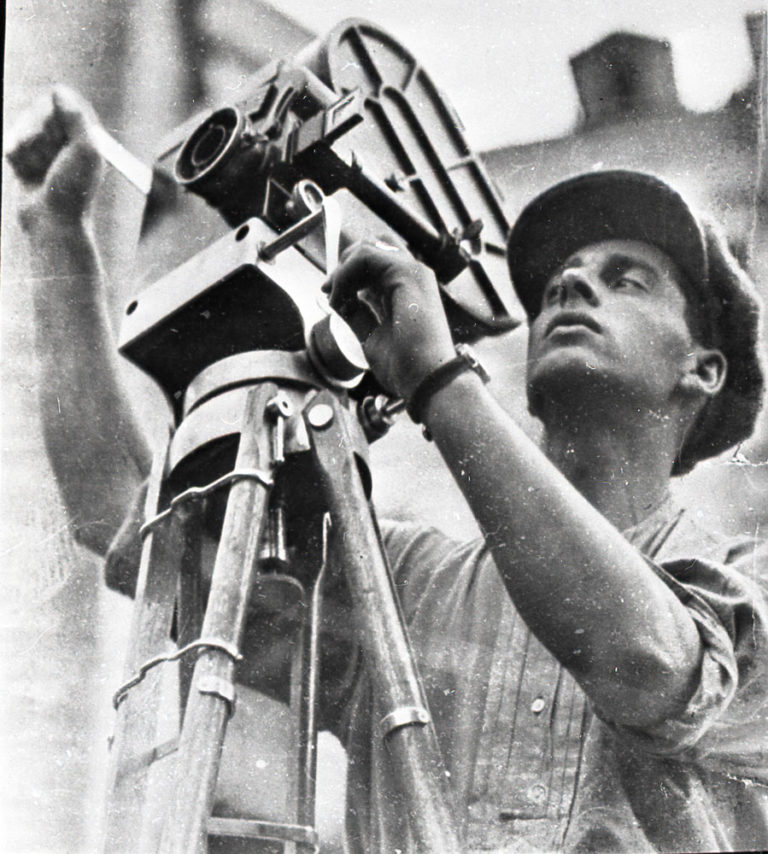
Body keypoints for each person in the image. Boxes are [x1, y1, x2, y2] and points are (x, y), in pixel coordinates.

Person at [7, 87, 768, 854]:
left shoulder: (745, 585)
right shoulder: (400, 582)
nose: (570, 285)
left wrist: (437, 380)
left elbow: (641, 662)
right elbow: (123, 520)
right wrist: (58, 233)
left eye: (627, 278)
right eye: (554, 283)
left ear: (702, 370)